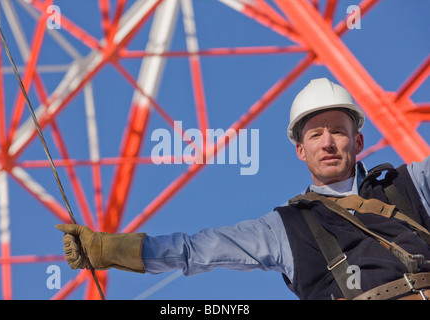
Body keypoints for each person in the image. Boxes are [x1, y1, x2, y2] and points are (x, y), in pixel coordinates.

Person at [56, 78, 430, 300]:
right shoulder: (287, 228)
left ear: (359, 141)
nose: (328, 142)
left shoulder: (409, 185)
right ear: (301, 150)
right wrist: (107, 249)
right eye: (316, 134)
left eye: (337, 131)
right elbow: (196, 250)